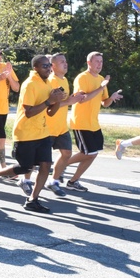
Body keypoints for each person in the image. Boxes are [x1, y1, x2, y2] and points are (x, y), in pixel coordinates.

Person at [0, 56, 66, 213]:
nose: (48, 68)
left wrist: (58, 100)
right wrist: (49, 101)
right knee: (25, 167)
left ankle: (33, 200)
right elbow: (29, 112)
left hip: (42, 132)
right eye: (44, 66)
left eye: (49, 65)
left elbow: (50, 112)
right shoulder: (30, 84)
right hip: (25, 133)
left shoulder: (47, 83)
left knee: (45, 166)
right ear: (35, 68)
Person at [62, 52, 124, 190]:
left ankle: (72, 181)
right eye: (97, 61)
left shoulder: (101, 79)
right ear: (89, 63)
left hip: (94, 124)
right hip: (81, 122)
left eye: (101, 61)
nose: (99, 64)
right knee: (88, 153)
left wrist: (112, 97)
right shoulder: (82, 78)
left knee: (93, 154)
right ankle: (60, 166)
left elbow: (105, 103)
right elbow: (82, 99)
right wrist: (101, 87)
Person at [43, 53, 85, 196]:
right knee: (39, 161)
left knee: (66, 153)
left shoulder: (65, 80)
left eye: (65, 61)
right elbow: (50, 105)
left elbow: (64, 101)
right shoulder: (51, 80)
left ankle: (53, 181)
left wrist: (75, 98)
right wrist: (69, 102)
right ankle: (18, 175)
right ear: (53, 66)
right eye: (62, 62)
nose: (65, 64)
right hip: (48, 127)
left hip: (61, 127)